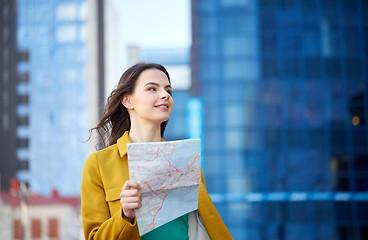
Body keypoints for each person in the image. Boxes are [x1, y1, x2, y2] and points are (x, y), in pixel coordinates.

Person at [81, 62, 233, 239]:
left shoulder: (186, 162)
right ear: (127, 100)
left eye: (168, 91)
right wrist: (125, 215)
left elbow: (204, 225)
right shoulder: (99, 164)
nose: (165, 95)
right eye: (152, 89)